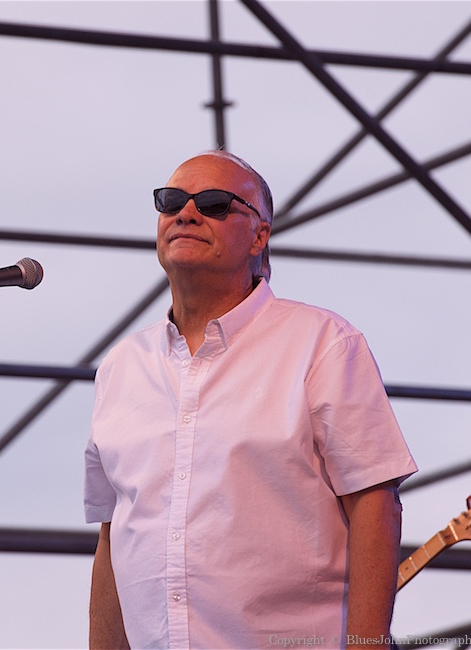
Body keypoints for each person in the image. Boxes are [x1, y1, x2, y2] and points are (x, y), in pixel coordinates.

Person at [83, 151, 417, 649]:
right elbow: (116, 536)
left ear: (260, 235)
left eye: (215, 204)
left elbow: (375, 502)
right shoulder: (120, 367)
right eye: (171, 200)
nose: (187, 213)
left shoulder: (322, 343)